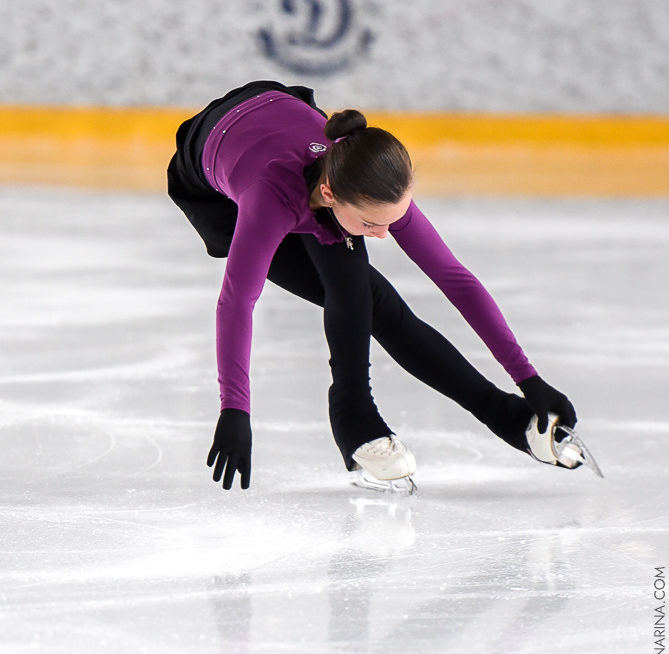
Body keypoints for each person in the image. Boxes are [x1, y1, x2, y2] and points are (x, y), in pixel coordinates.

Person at [167, 79, 578, 491]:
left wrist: (529, 379)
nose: (383, 234)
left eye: (391, 221)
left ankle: (508, 416)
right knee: (362, 292)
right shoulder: (268, 200)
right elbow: (237, 302)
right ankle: (353, 416)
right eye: (371, 224)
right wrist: (235, 409)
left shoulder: (369, 180)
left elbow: (455, 279)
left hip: (284, 123)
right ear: (328, 194)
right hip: (211, 174)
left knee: (364, 291)